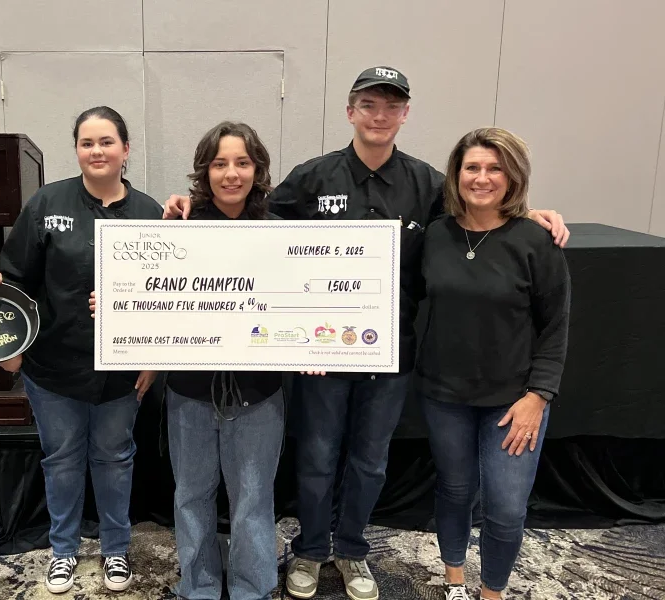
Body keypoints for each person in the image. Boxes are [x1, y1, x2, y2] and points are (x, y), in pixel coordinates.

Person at [163, 66, 570, 600]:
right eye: (369, 105)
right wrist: (189, 206)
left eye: (391, 106)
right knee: (316, 455)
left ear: (405, 114)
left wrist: (527, 214)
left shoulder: (429, 185)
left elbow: (479, 215)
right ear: (350, 111)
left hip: (389, 354)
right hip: (321, 353)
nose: (379, 116)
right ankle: (309, 550)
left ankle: (353, 550)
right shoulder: (312, 177)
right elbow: (249, 220)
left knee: (371, 460)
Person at [0, 106, 159, 594]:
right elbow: (16, 280)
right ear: (77, 150)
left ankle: (115, 550)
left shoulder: (150, 213)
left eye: (107, 142)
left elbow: (166, 297)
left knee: (115, 458)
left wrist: (152, 359)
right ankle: (63, 551)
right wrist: (11, 348)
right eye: (87, 143)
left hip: (121, 371)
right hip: (52, 366)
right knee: (62, 459)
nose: (97, 151)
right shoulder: (46, 203)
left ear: (126, 150)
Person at [416, 127, 569, 600]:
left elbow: (556, 325)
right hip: (444, 395)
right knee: (455, 491)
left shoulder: (535, 241)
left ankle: (493, 592)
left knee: (505, 508)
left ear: (513, 176)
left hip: (513, 402)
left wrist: (537, 397)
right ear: (456, 174)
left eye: (495, 168)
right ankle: (455, 580)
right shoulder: (435, 235)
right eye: (472, 167)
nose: (482, 177)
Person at [166, 122, 285, 600]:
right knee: (190, 496)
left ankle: (252, 588)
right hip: (190, 391)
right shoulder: (179, 229)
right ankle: (198, 586)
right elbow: (152, 295)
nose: (231, 174)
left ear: (257, 170)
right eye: (219, 164)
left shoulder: (280, 234)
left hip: (258, 393)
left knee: (253, 501)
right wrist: (116, 304)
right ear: (205, 171)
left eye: (241, 162)